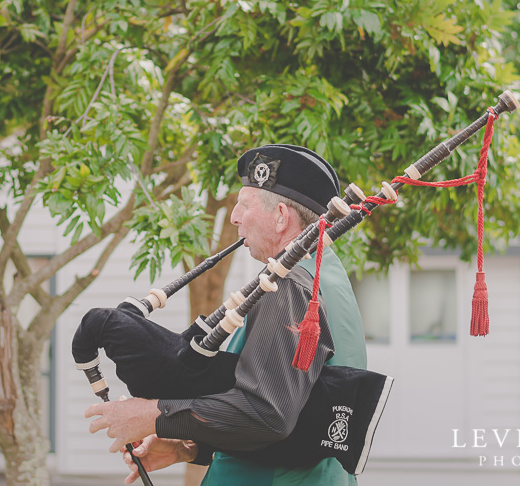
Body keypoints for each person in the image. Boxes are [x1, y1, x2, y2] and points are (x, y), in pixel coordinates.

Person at [85, 144, 368, 485]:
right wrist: (188, 447)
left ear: (281, 216)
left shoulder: (290, 287)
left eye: (244, 205)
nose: (233, 216)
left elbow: (267, 415)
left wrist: (153, 414)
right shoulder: (324, 274)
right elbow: (301, 415)